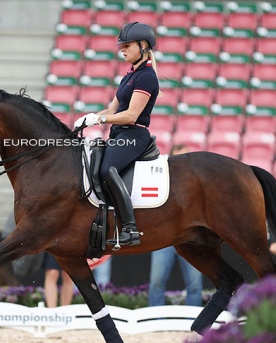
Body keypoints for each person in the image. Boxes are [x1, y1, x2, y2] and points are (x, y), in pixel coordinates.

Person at [74, 22, 160, 247]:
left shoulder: (147, 77)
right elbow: (112, 111)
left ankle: (130, 228)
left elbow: (131, 115)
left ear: (143, 46)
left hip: (135, 134)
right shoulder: (129, 76)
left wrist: (99, 119)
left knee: (107, 169)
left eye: (127, 46)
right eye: (121, 46)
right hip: (119, 133)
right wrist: (88, 118)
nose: (122, 50)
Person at [148, 144, 203, 307]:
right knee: (156, 282)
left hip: (191, 238)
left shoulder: (200, 184)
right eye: (179, 158)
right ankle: (154, 321)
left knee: (195, 284)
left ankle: (194, 322)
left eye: (187, 157)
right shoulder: (160, 182)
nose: (183, 163)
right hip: (165, 239)